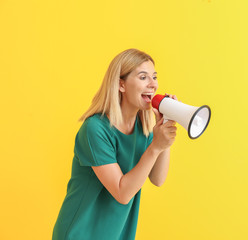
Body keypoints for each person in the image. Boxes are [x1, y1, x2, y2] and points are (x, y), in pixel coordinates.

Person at [52, 49, 177, 240]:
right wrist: (156, 147)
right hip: (81, 233)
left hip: (117, 234)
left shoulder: (143, 128)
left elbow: (158, 179)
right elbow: (122, 192)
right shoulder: (95, 129)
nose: (153, 84)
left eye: (154, 77)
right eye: (143, 77)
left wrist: (165, 132)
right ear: (121, 85)